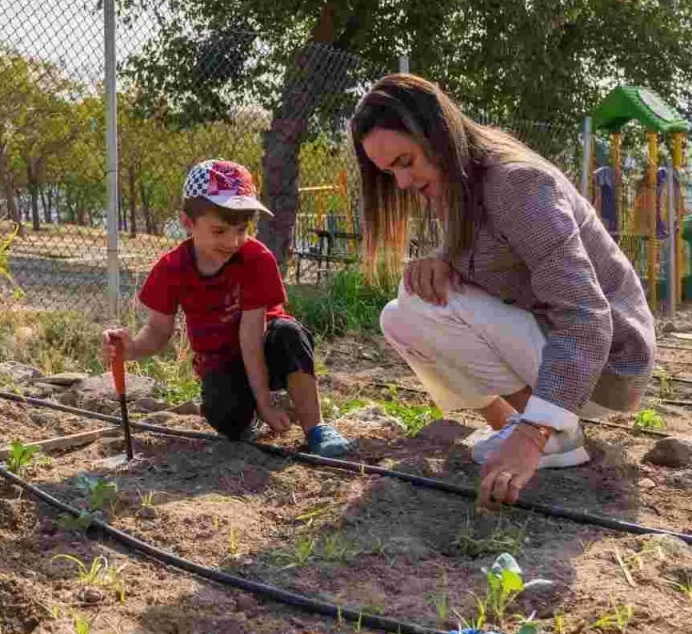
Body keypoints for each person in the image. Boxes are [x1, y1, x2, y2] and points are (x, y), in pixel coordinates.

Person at [351, 74, 655, 510]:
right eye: (389, 172)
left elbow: (586, 315)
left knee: (418, 303)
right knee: (400, 312)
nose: (401, 183)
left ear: (437, 134)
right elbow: (496, 256)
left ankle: (550, 432)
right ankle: (512, 422)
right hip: (557, 351)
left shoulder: (517, 183)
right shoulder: (459, 182)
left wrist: (533, 436)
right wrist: (445, 260)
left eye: (405, 161)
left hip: (605, 366)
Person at [101, 160, 353, 457]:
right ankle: (253, 412)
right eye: (219, 231)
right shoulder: (171, 268)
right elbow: (157, 331)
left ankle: (315, 427)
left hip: (266, 347)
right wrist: (131, 349)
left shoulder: (256, 259)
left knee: (289, 332)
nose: (233, 242)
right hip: (221, 362)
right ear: (188, 222)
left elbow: (251, 335)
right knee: (227, 419)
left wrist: (264, 401)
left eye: (241, 229)